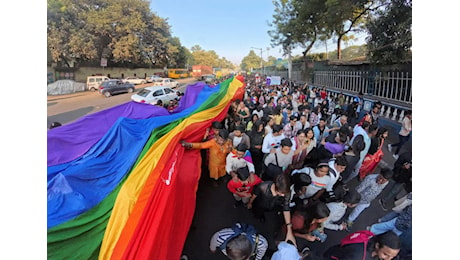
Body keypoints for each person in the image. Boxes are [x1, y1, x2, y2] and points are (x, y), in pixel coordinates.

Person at [247, 174, 297, 247]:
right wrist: (250, 203)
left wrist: (289, 228)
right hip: (260, 205)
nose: (283, 195)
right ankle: (259, 217)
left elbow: (286, 207)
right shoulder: (263, 186)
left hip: (272, 206)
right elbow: (255, 195)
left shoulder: (286, 192)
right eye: (281, 193)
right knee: (258, 213)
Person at [323, 231, 401, 260]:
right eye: (386, 254)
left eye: (392, 257)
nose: (389, 259)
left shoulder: (370, 238)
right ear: (377, 245)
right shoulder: (357, 255)